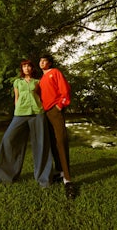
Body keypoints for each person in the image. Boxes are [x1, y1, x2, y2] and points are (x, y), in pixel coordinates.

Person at [0, 59, 53, 188]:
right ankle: (2, 176)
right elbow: (16, 98)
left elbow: (41, 97)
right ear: (22, 69)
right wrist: (16, 112)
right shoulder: (17, 82)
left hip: (37, 113)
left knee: (41, 144)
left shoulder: (38, 82)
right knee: (8, 139)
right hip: (20, 114)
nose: (27, 68)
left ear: (32, 68)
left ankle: (44, 179)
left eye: (29, 66)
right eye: (24, 66)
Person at [39, 54, 75, 199]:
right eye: (40, 61)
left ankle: (68, 179)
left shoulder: (55, 72)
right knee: (53, 143)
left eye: (44, 60)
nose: (42, 63)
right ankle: (60, 171)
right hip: (44, 113)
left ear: (49, 62)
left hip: (55, 110)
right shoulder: (40, 80)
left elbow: (65, 90)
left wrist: (60, 105)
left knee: (61, 140)